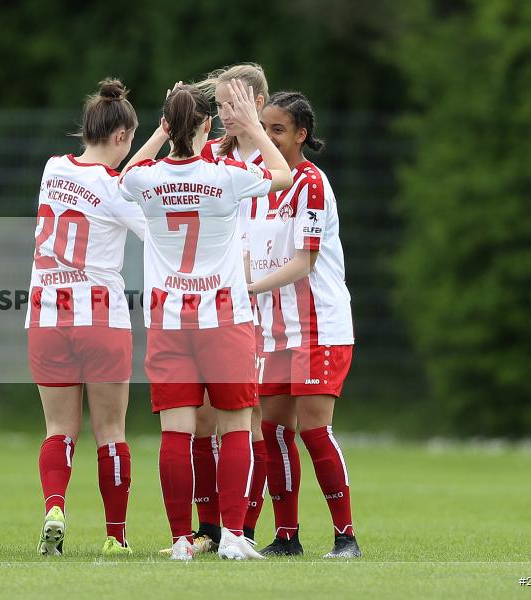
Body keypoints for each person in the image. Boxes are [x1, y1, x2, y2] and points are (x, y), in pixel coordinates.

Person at [120, 79, 292, 560]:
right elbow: (281, 174)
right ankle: (234, 536)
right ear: (207, 125)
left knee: (176, 432)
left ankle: (180, 540)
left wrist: (158, 133)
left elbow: (124, 176)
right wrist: (255, 128)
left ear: (168, 123)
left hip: (169, 320)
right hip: (224, 317)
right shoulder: (227, 175)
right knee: (236, 426)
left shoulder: (149, 178)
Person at [26, 79, 145, 557]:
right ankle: (115, 536)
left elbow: (102, 177)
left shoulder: (53, 168)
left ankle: (55, 505)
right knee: (111, 430)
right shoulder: (116, 188)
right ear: (121, 137)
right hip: (99, 313)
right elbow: (152, 227)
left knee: (59, 429)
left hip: (45, 311)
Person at [246, 91, 361, 558]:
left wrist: (247, 287)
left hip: (319, 327)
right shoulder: (257, 184)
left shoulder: (310, 183)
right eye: (265, 128)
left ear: (300, 134)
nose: (270, 137)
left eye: (278, 129)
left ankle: (346, 536)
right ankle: (287, 535)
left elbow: (304, 261)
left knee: (315, 430)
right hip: (273, 332)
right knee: (273, 431)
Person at [188, 63, 272, 553]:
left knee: (249, 414)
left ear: (257, 103)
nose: (223, 114)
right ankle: (209, 528)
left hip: (255, 302)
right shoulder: (209, 155)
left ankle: (246, 527)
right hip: (206, 301)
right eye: (218, 105)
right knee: (200, 416)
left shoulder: (272, 158)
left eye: (232, 104)